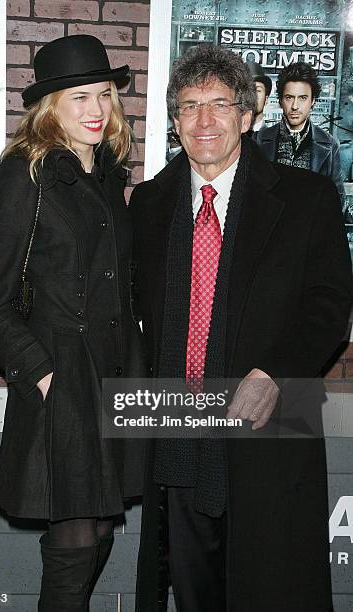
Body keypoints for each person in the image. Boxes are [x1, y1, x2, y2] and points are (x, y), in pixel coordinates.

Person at [130, 45, 353, 612]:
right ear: (174, 121)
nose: (204, 121)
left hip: (276, 418)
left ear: (248, 115)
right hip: (179, 426)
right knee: (192, 585)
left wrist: (275, 373)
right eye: (189, 107)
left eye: (219, 105)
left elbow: (329, 305)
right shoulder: (149, 205)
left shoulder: (306, 199)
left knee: (272, 585)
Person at [0, 34, 146, 611]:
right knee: (75, 538)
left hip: (115, 378)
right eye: (79, 97)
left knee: (96, 534)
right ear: (50, 107)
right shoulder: (25, 175)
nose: (96, 110)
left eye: (104, 94)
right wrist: (44, 376)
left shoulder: (107, 176)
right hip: (63, 380)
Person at [256, 61, 345, 204]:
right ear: (280, 101)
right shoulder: (259, 140)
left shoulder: (329, 144)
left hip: (313, 224)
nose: (295, 106)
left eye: (302, 98)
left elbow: (338, 199)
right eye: (289, 97)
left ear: (313, 101)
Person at [246, 60, 272, 133]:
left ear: (266, 99)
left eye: (258, 90)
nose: (253, 95)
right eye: (248, 89)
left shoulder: (276, 139)